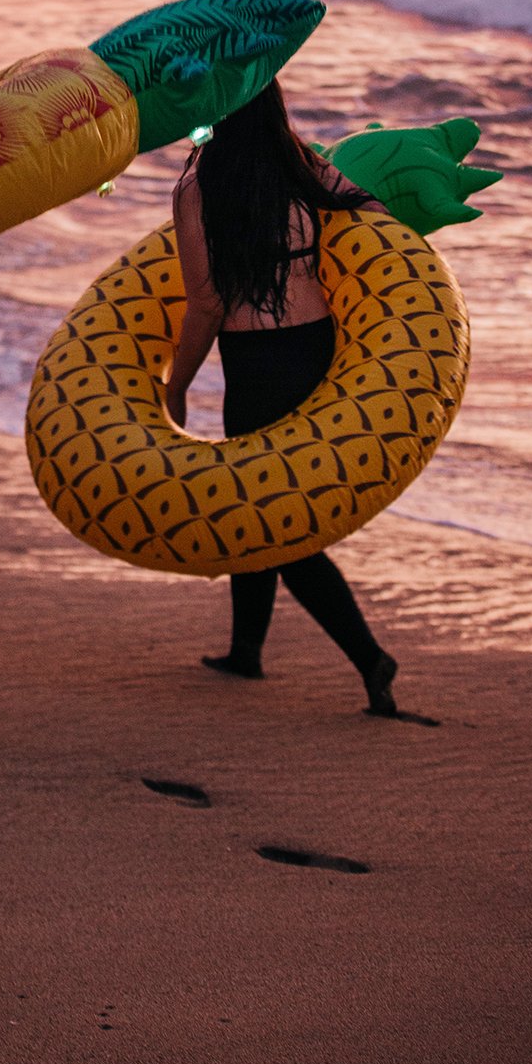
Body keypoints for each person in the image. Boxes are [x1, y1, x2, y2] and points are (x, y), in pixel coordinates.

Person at [163, 81, 400, 716]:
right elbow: (373, 211)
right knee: (261, 495)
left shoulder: (198, 187)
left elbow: (207, 303)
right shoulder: (300, 163)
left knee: (272, 518)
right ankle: (246, 650)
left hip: (257, 365)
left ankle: (370, 656)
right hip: (319, 351)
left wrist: (177, 385)